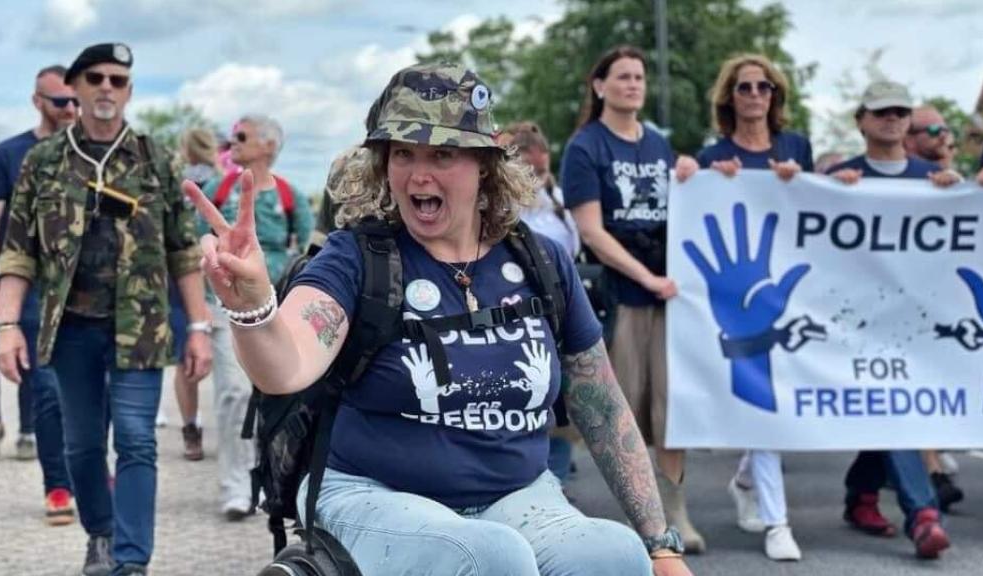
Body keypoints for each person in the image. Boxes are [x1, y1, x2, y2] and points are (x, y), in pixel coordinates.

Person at [184, 62, 693, 576]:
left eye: (442, 154)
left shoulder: (540, 262)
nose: (418, 174)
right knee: (491, 556)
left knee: (616, 556)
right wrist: (251, 305)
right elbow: (286, 366)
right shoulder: (358, 258)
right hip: (371, 493)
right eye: (403, 153)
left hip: (518, 496)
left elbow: (602, 406)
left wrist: (661, 544)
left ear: (484, 164)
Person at [0, 43, 212, 576]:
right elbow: (19, 249)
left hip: (138, 328)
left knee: (137, 439)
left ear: (130, 91)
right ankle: (103, 532)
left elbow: (183, 248)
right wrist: (6, 325)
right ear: (77, 89)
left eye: (118, 79)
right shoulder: (43, 162)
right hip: (69, 330)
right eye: (96, 78)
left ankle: (131, 561)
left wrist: (199, 325)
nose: (107, 88)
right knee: (83, 445)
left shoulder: (154, 158)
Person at [559, 45, 704, 553]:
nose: (633, 84)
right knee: (613, 411)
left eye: (639, 76)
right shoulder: (586, 146)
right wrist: (645, 276)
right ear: (599, 86)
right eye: (622, 76)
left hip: (668, 297)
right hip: (621, 296)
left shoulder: (658, 145)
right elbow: (592, 231)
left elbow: (685, 209)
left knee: (671, 410)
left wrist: (689, 170)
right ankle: (615, 510)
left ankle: (674, 512)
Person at [826, 79, 960, 560]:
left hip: (916, 325)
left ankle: (862, 492)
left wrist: (964, 189)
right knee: (890, 406)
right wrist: (825, 194)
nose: (892, 119)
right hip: (856, 328)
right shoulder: (840, 177)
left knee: (890, 408)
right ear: (861, 119)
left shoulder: (934, 178)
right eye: (882, 111)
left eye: (901, 111)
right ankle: (923, 514)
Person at [696, 53, 812, 561]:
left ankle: (745, 481)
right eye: (745, 88)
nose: (755, 95)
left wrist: (817, 180)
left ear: (776, 95)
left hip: (795, 286)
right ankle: (777, 521)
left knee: (787, 405)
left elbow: (823, 206)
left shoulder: (796, 148)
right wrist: (697, 175)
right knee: (765, 406)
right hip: (741, 300)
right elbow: (694, 205)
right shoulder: (712, 156)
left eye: (764, 87)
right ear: (730, 97)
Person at [197, 114, 314, 519]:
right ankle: (234, 485)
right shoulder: (219, 188)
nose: (233, 143)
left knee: (279, 395)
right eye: (232, 137)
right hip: (226, 302)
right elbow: (198, 233)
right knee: (233, 393)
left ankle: (272, 478)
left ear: (268, 145)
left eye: (242, 137)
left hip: (279, 304)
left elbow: (312, 246)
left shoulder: (290, 196)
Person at [0, 64, 77, 526]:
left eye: (74, 99)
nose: (71, 108)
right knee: (49, 389)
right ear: (38, 101)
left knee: (98, 392)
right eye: (61, 101)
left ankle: (89, 471)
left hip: (90, 290)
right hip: (32, 288)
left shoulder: (97, 152)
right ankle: (57, 484)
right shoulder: (10, 153)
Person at [500, 121, 583, 487]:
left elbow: (575, 248)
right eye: (528, 169)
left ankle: (558, 484)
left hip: (559, 315)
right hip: (518, 315)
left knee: (561, 406)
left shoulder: (558, 201)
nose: (535, 175)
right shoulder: (503, 209)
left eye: (541, 168)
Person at [902, 104, 968, 512]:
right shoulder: (897, 180)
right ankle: (930, 474)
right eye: (932, 129)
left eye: (945, 127)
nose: (942, 134)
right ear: (910, 138)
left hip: (943, 300)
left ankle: (865, 489)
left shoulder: (951, 179)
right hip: (903, 303)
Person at [171, 127, 222, 461]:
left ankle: (191, 429)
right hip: (219, 273)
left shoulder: (177, 186)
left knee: (185, 359)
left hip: (184, 278)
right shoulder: (225, 183)